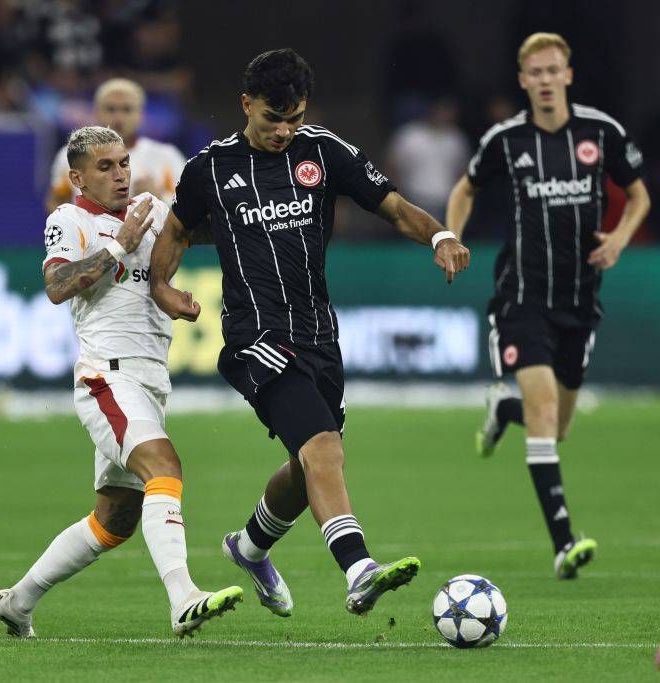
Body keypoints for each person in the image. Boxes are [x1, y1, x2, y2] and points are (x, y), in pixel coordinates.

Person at [149, 48, 470, 618]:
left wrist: (440, 236)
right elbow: (175, 231)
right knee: (324, 447)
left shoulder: (324, 151)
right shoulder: (210, 168)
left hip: (319, 335)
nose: (283, 131)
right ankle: (359, 568)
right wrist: (161, 287)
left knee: (308, 466)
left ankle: (249, 548)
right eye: (272, 118)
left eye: (293, 118)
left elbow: (395, 208)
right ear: (246, 105)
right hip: (255, 338)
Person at [0, 126, 242, 639]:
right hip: (106, 375)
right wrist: (119, 248)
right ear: (77, 178)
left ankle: (18, 602)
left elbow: (209, 229)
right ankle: (183, 598)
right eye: (105, 167)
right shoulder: (69, 220)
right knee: (164, 466)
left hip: (150, 379)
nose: (121, 174)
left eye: (123, 162)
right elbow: (57, 286)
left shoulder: (151, 209)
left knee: (115, 520)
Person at [446, 33, 650, 578]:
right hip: (522, 299)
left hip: (580, 300)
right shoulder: (506, 139)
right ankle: (564, 543)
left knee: (557, 429)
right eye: (534, 72)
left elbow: (639, 195)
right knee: (542, 413)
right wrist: (450, 237)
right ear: (522, 80)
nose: (544, 80)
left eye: (552, 70)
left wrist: (619, 239)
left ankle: (502, 411)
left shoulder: (601, 132)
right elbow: (465, 189)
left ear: (568, 74)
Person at [45, 78, 185, 212]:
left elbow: (187, 210)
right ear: (97, 113)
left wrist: (159, 198)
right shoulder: (72, 154)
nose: (118, 117)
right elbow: (56, 203)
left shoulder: (166, 156)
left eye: (127, 109)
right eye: (111, 109)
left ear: (140, 115)